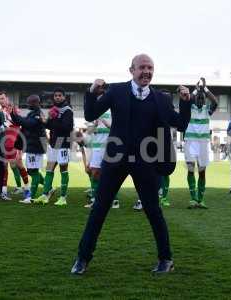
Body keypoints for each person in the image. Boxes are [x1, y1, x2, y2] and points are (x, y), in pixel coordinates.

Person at [71, 54, 191, 275]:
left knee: (153, 210)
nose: (146, 71)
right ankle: (82, 259)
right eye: (142, 67)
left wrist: (185, 102)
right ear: (131, 70)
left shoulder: (161, 99)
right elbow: (90, 113)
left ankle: (166, 259)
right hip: (115, 159)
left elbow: (181, 124)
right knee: (99, 209)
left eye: (150, 68)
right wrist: (91, 91)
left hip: (146, 162)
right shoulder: (116, 91)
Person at [34, 88, 74, 206]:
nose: (57, 97)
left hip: (63, 143)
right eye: (55, 95)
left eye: (59, 95)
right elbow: (51, 127)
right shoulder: (54, 110)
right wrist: (43, 121)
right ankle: (45, 195)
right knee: (49, 169)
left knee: (63, 170)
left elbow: (67, 127)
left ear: (64, 97)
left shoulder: (68, 111)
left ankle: (63, 197)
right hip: (53, 143)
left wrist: (55, 118)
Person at [184, 77, 218, 209]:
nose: (200, 99)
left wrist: (205, 89)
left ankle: (200, 199)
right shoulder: (189, 109)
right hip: (191, 142)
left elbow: (215, 101)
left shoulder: (207, 110)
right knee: (191, 169)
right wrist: (195, 90)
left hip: (203, 143)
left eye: (202, 97)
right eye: (198, 97)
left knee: (202, 171)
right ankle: (193, 199)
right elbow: (186, 100)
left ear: (205, 100)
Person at [11, 94, 46, 203]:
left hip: (36, 145)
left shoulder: (38, 114)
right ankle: (48, 188)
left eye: (30, 103)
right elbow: (21, 122)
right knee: (32, 171)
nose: (28, 105)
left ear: (36, 103)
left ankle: (31, 197)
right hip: (32, 145)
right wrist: (12, 114)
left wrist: (14, 114)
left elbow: (27, 123)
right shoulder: (32, 113)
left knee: (33, 171)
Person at [0, 91, 31, 201]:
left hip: (15, 141)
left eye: (3, 98)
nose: (1, 101)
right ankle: (4, 192)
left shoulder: (14, 109)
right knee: (4, 166)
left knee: (19, 164)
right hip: (4, 142)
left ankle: (27, 190)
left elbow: (21, 124)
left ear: (6, 98)